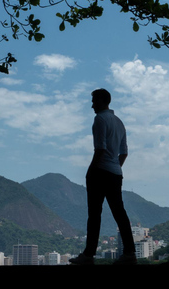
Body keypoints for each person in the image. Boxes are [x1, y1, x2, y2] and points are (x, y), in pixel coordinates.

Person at [70, 88, 137, 265]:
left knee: (94, 214)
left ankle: (88, 255)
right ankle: (130, 253)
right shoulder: (119, 122)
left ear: (101, 101)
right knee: (120, 213)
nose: (92, 105)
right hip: (116, 173)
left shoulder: (100, 119)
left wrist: (91, 170)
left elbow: (100, 148)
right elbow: (124, 153)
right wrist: (114, 166)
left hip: (100, 172)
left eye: (94, 101)